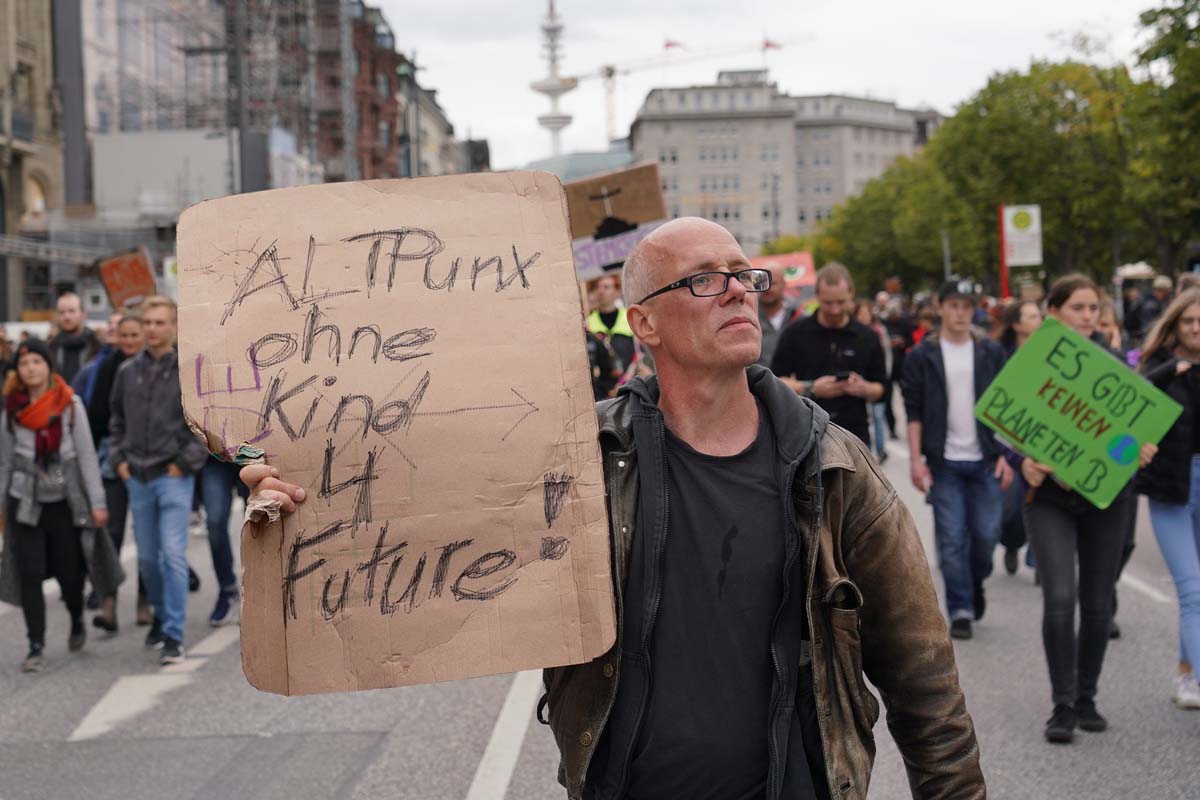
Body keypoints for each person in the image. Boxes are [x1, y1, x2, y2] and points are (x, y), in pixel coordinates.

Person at [243, 217, 985, 799]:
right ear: (645, 324)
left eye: (740, 274)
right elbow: (418, 520)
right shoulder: (577, 456)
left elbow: (922, 671)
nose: (735, 289)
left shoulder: (833, 468)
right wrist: (301, 492)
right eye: (701, 280)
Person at [1020, 274, 1158, 744]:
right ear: (1054, 311)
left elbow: (1131, 437)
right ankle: (1061, 705)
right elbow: (1002, 424)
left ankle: (1086, 697)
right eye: (1077, 307)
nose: (1088, 317)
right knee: (1060, 598)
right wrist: (1022, 460)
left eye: (1093, 309)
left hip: (1106, 499)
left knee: (1097, 603)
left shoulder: (1118, 367)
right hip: (1050, 501)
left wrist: (1138, 450)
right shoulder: (1031, 365)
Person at [902, 279, 1013, 639]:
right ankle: (960, 607)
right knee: (950, 538)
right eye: (954, 305)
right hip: (944, 461)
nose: (961, 313)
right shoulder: (923, 354)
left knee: (986, 535)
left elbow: (1009, 405)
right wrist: (916, 460)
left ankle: (975, 581)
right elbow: (914, 410)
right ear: (940, 307)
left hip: (985, 458)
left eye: (967, 306)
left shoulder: (990, 351)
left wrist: (1008, 454)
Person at [109, 297, 208, 665]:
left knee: (173, 555)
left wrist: (185, 463)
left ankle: (173, 634)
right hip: (137, 475)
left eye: (159, 322)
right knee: (148, 560)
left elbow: (204, 425)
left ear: (174, 327)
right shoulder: (126, 372)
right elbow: (115, 419)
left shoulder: (188, 369)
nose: (151, 329)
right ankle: (162, 617)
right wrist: (119, 459)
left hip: (173, 476)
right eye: (147, 322)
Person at [0, 339, 109, 672]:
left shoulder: (70, 404)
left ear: (48, 366)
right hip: (24, 500)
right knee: (30, 572)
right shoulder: (10, 409)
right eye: (24, 363)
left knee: (69, 573)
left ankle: (76, 616)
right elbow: (4, 462)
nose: (30, 367)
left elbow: (88, 456)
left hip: (65, 500)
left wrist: (97, 502)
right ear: (17, 371)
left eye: (36, 361)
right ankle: (36, 644)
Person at [1136, 288, 1200, 710]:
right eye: (1189, 321)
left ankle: (1186, 674)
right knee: (1193, 590)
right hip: (1170, 492)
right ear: (1174, 325)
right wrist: (1167, 373)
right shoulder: (1157, 369)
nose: (1196, 329)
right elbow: (1123, 428)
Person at [770, 263, 887, 447]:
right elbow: (775, 382)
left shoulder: (867, 336)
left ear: (851, 293)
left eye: (841, 302)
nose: (835, 310)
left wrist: (863, 388)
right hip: (808, 436)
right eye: (828, 303)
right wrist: (811, 388)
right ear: (817, 296)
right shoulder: (795, 333)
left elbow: (881, 388)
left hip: (855, 437)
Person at [88, 312, 147, 632]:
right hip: (113, 461)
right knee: (110, 533)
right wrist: (115, 453)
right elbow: (98, 415)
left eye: (134, 335)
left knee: (146, 538)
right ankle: (107, 601)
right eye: (123, 336)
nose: (128, 341)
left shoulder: (157, 368)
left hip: (147, 464)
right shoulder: (109, 367)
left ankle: (144, 600)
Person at [995, 300, 1044, 575]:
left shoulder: (1050, 355)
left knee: (1043, 501)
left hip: (1044, 439)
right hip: (1012, 442)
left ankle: (1041, 561)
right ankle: (1012, 544)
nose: (1039, 319)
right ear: (1017, 324)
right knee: (1012, 510)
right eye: (1032, 315)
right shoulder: (1001, 356)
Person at [853, 298, 892, 463]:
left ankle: (881, 448)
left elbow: (887, 355)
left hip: (875, 382)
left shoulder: (878, 332)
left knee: (877, 416)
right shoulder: (853, 334)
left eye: (866, 313)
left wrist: (884, 377)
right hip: (857, 385)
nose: (864, 316)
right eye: (861, 313)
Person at [48, 293, 101, 384]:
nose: (66, 317)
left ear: (83, 314)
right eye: (62, 312)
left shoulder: (97, 346)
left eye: (71, 311)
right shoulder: (51, 348)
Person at [586, 275, 636, 372]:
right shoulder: (588, 323)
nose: (601, 291)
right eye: (597, 287)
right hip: (604, 385)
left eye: (606, 287)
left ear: (617, 292)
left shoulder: (630, 316)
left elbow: (640, 353)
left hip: (631, 380)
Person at [756, 262, 800, 368]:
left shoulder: (798, 316)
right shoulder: (748, 318)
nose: (768, 288)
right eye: (763, 283)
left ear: (784, 284)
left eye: (773, 283)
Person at [1128, 275, 1173, 341]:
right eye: (1167, 292)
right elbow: (1148, 328)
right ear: (1162, 291)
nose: (1168, 296)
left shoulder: (1147, 300)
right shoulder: (1151, 306)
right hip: (1144, 339)